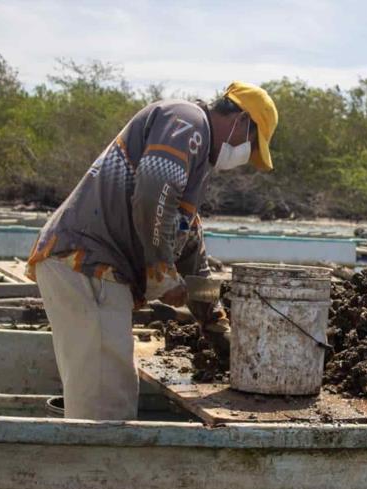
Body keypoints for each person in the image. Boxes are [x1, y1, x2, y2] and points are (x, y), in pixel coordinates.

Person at [26, 81, 278, 420]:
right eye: (251, 142)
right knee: (106, 408)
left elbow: (189, 247)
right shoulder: (188, 121)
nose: (246, 154)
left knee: (106, 392)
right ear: (242, 120)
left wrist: (216, 326)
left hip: (90, 270)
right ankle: (99, 473)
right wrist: (160, 272)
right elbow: (153, 192)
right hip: (86, 264)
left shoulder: (197, 164)